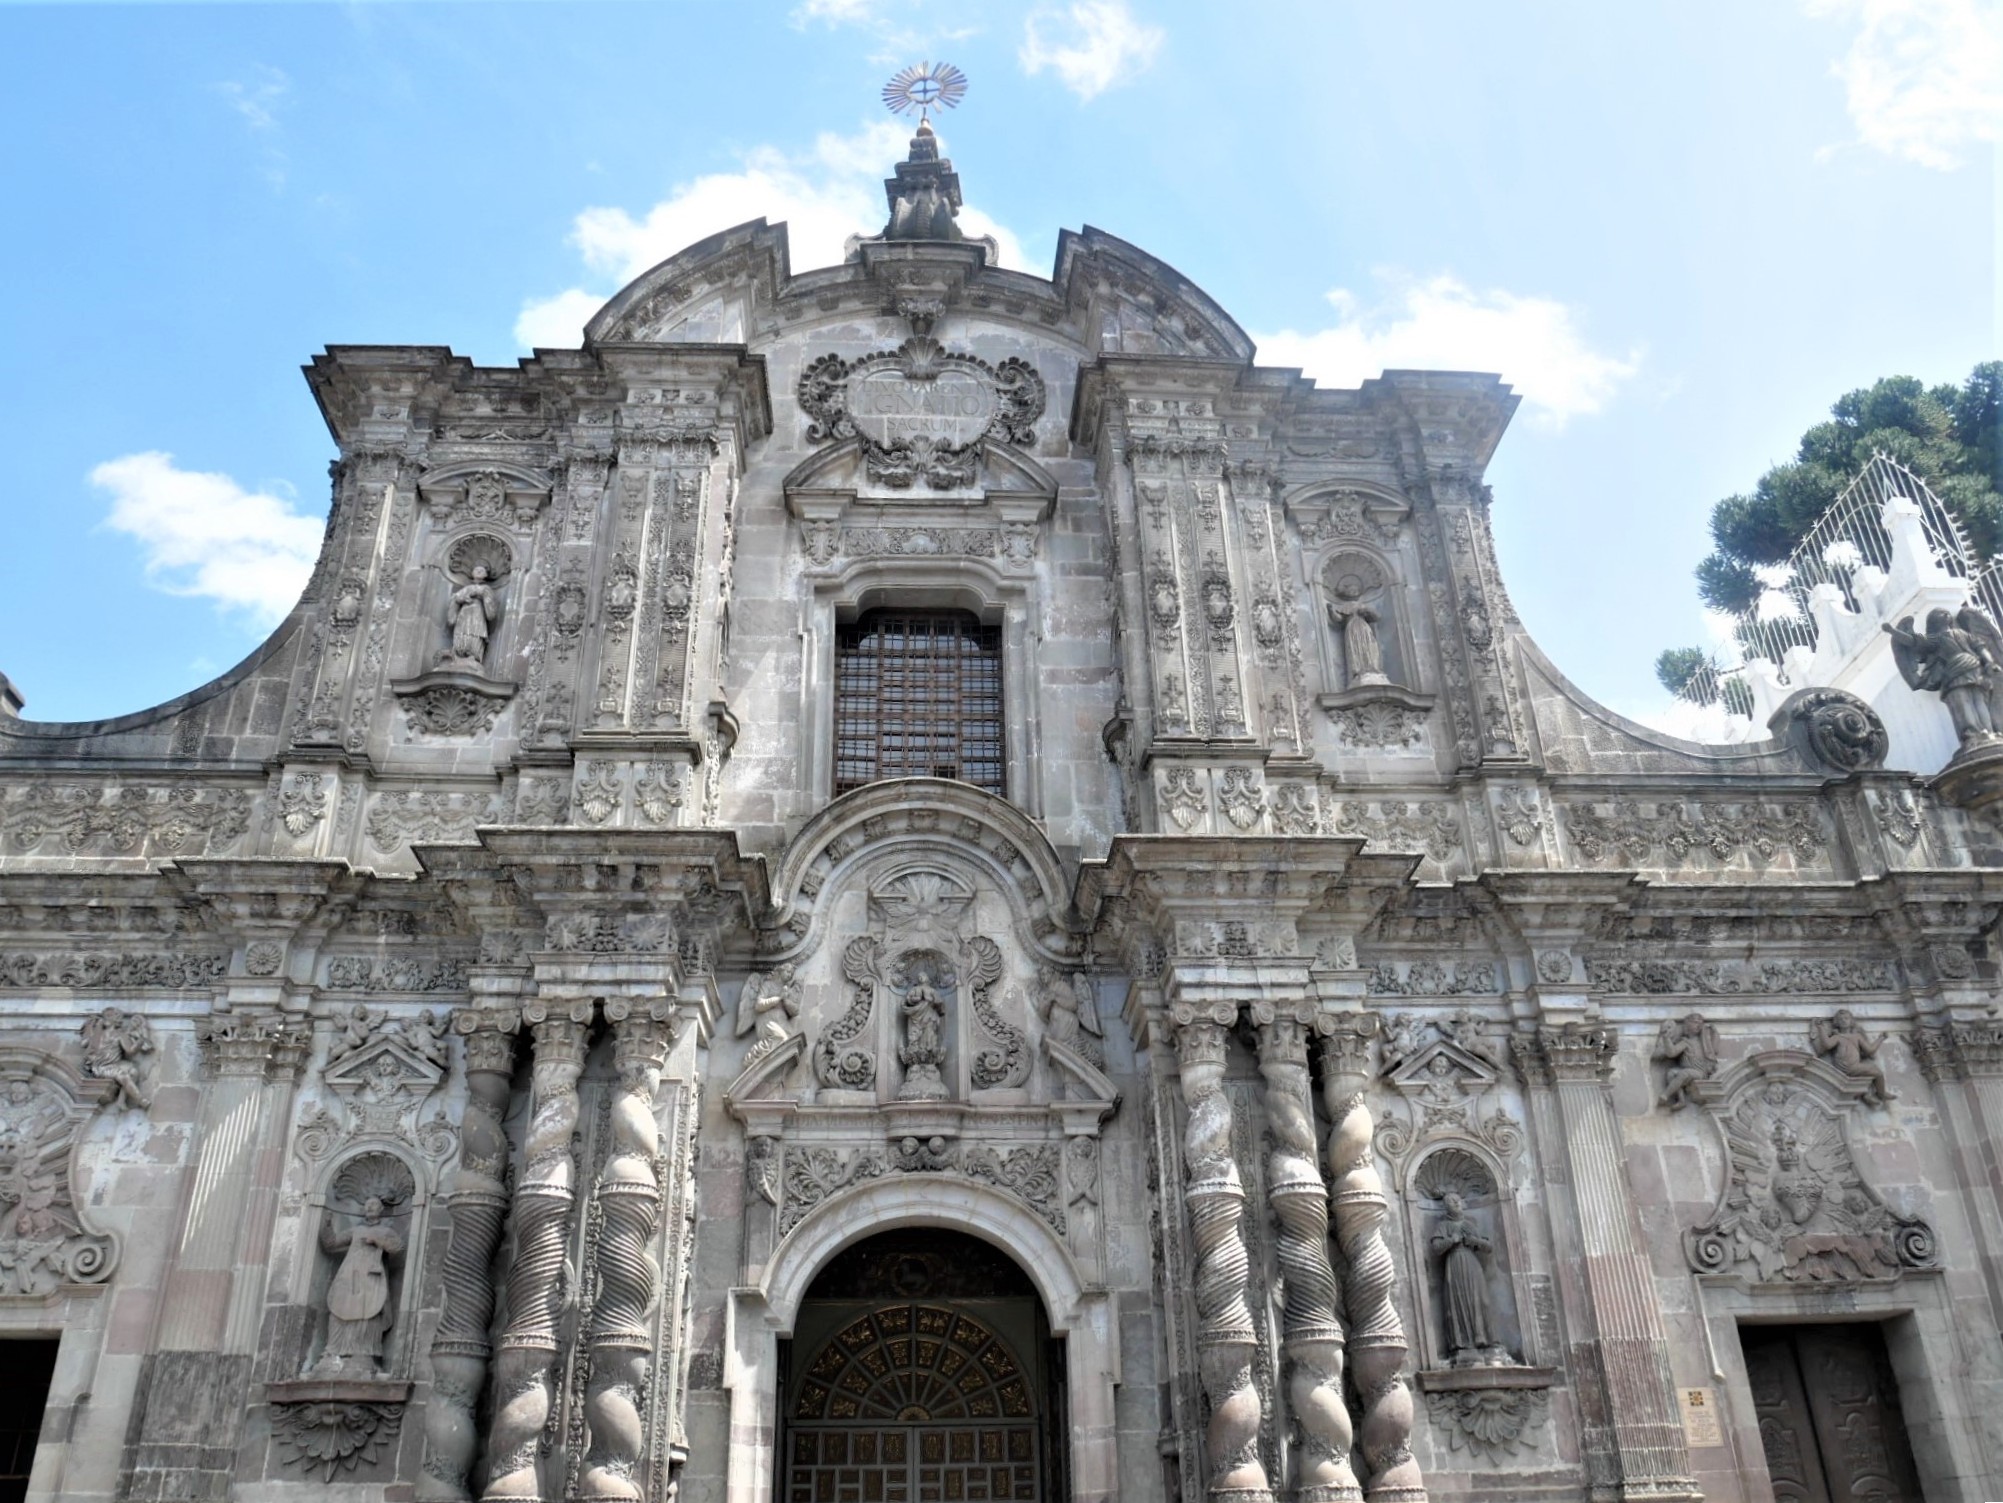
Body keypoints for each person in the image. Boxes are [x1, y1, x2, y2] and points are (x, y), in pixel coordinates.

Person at [314, 1196, 404, 1375]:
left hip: (371, 1279)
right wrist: (327, 1224)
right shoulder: (356, 1230)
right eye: (368, 1204)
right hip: (349, 1276)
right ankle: (333, 1350)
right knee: (339, 1309)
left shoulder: (385, 1231)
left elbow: (398, 1248)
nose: (370, 1207)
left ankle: (363, 1353)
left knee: (368, 1313)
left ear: (381, 1209)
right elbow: (331, 1243)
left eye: (374, 1205)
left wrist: (378, 1241)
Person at [1432, 1190, 1500, 1365]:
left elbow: (1488, 1247)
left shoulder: (1469, 1224)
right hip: (1455, 1264)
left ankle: (1484, 1339)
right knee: (1458, 1303)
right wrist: (1452, 1240)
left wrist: (1474, 1241)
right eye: (1451, 1202)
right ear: (1446, 1206)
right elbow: (1436, 1247)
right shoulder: (1443, 1226)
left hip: (1472, 1265)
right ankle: (1462, 1342)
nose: (1456, 1204)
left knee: (1481, 1300)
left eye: (1458, 1201)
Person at [444, 565, 499, 668]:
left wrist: (481, 594)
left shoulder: (486, 589)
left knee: (475, 634)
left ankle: (473, 656)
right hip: (464, 616)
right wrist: (463, 598)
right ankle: (458, 656)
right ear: (472, 572)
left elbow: (491, 609)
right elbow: (456, 598)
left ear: (486, 575)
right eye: (476, 569)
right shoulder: (466, 589)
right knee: (462, 632)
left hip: (477, 616)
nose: (479, 571)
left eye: (482, 570)